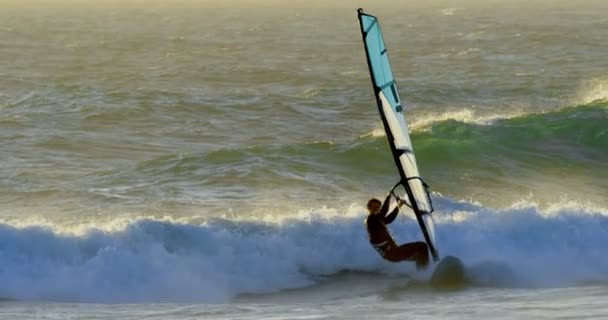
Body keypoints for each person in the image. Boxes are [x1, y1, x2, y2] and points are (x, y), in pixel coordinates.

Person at [365, 195, 429, 270]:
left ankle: (422, 275)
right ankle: (424, 273)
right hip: (393, 253)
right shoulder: (371, 220)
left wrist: (398, 205)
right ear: (369, 208)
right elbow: (384, 212)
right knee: (422, 246)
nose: (377, 210)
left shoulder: (377, 219)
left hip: (393, 253)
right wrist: (388, 197)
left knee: (419, 255)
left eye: (378, 208)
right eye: (375, 208)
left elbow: (389, 218)